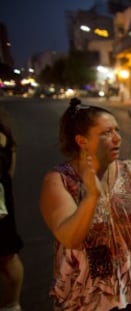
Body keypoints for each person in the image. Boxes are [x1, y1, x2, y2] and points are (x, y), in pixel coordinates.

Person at [39, 98, 131, 311]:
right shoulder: (59, 180)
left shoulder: (130, 169)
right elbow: (70, 238)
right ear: (82, 140)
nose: (118, 138)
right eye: (106, 132)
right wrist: (91, 196)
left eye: (117, 130)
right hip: (87, 297)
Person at [0, 112, 24, 311]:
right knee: (7, 254)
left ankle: (11, 304)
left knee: (7, 254)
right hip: (3, 200)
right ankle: (12, 304)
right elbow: (10, 172)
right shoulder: (5, 132)